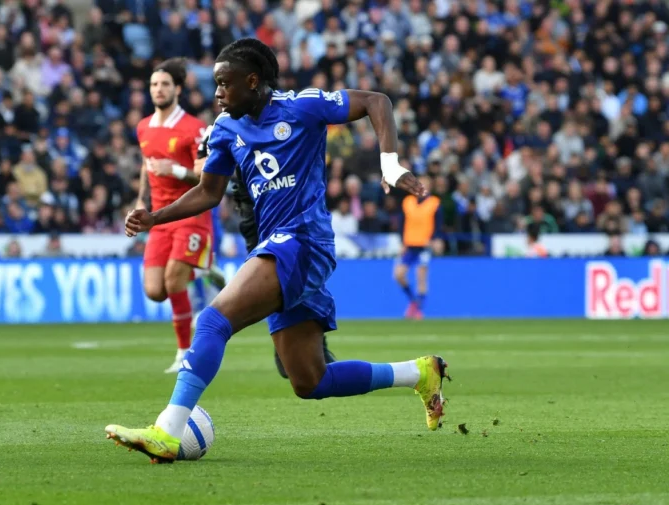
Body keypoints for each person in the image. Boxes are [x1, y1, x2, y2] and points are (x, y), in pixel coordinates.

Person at [106, 39, 449, 463]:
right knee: (310, 381)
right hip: (282, 247)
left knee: (214, 320)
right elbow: (208, 192)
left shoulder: (302, 107)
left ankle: (168, 430)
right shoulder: (226, 130)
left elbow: (376, 101)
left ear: (253, 81)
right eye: (214, 85)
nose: (216, 94)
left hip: (303, 241)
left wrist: (390, 163)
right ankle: (419, 373)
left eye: (224, 84)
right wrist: (155, 217)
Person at [195, 123, 337, 378]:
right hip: (254, 223)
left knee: (216, 321)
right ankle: (303, 346)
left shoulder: (284, 118)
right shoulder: (219, 129)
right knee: (295, 370)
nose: (222, 92)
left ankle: (312, 342)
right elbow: (201, 169)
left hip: (290, 222)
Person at [135, 58, 225, 373]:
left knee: (174, 280)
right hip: (159, 218)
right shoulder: (143, 127)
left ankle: (184, 353)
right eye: (154, 85)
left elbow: (204, 177)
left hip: (189, 212)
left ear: (176, 89)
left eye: (164, 84)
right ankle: (203, 270)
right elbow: (146, 168)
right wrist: (138, 201)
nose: (158, 90)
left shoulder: (195, 129)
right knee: (155, 291)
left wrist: (173, 169)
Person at [393, 175, 440, 319]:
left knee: (421, 275)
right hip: (409, 244)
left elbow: (438, 224)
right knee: (399, 274)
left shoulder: (434, 203)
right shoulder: (408, 202)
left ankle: (418, 310)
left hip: (424, 245)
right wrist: (402, 242)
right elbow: (402, 224)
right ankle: (414, 301)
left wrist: (435, 240)